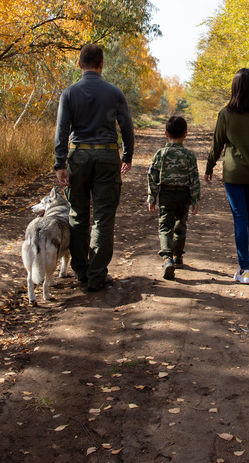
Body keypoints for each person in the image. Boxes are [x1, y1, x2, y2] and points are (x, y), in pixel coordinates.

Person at [54, 43, 134, 292]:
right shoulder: (115, 93)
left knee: (78, 215)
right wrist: (127, 155)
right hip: (107, 157)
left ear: (79, 65)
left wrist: (60, 163)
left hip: (78, 158)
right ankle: (97, 274)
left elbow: (62, 130)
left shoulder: (69, 93)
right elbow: (127, 127)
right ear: (101, 65)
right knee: (103, 218)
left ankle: (81, 272)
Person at [205, 68, 249, 285]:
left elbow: (217, 144)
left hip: (233, 174)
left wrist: (209, 167)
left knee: (240, 218)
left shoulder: (226, 114)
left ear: (235, 89)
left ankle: (244, 270)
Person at [147, 115, 201, 280]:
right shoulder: (189, 155)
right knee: (180, 226)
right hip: (183, 194)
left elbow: (152, 176)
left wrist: (152, 197)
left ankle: (167, 258)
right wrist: (195, 199)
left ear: (165, 133)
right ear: (185, 134)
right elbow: (194, 178)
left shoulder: (160, 154)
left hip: (166, 194)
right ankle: (178, 257)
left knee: (165, 227)